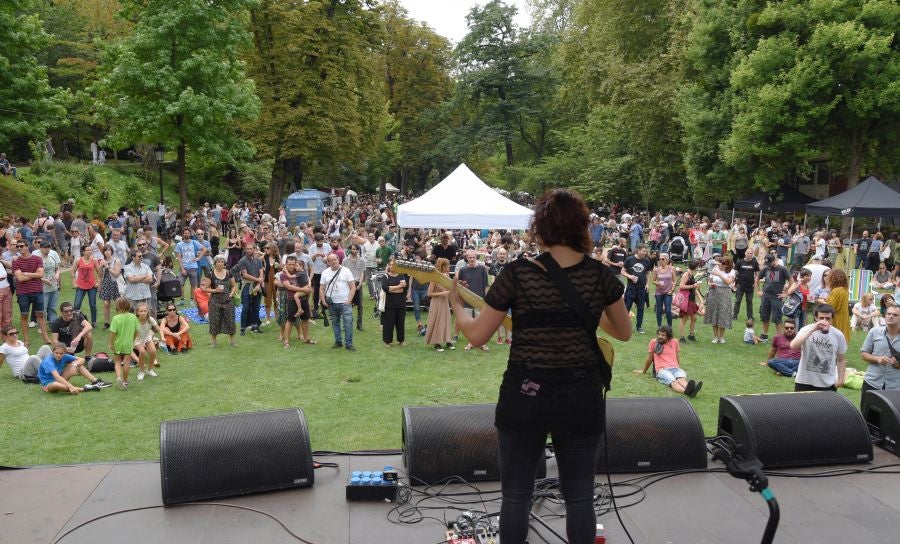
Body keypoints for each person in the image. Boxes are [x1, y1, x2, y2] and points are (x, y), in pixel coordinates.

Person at [451, 188, 631, 544]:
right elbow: (623, 332)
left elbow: (477, 336)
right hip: (581, 396)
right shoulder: (599, 275)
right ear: (582, 227)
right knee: (579, 496)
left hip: (525, 394)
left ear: (541, 226)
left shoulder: (517, 274)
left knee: (516, 495)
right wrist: (587, 311)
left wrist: (457, 305)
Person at [790, 304, 847, 391]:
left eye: (828, 318)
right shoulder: (806, 329)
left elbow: (841, 359)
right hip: (804, 381)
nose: (824, 321)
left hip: (827, 384)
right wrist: (813, 329)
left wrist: (840, 380)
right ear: (816, 318)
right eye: (821, 318)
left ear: (832, 319)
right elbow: (793, 346)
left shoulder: (838, 335)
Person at [635, 325, 702, 397]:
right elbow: (650, 358)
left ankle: (691, 389)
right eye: (659, 334)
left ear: (669, 336)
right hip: (662, 370)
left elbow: (677, 356)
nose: (660, 336)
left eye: (663, 335)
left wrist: (678, 367)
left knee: (681, 378)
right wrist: (644, 371)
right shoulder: (654, 342)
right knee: (673, 381)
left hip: (675, 368)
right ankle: (687, 391)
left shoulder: (675, 341)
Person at [12, 238, 53, 347]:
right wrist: (33, 274)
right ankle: (26, 340)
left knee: (40, 314)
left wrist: (25, 273)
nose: (19, 248)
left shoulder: (37, 259)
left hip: (37, 290)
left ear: (27, 246)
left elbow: (40, 275)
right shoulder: (16, 261)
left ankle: (46, 338)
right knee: (24, 316)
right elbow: (19, 278)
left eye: (21, 246)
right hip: (22, 292)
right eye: (18, 246)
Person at [860, 303, 900, 395]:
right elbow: (864, 354)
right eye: (888, 314)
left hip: (896, 386)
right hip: (872, 382)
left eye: (895, 315)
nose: (890, 316)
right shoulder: (874, 332)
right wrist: (878, 359)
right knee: (867, 410)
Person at [38, 342, 110, 393]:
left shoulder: (65, 356)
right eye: (56, 353)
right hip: (49, 384)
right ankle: (85, 389)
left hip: (61, 379)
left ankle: (95, 381)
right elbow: (57, 377)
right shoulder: (48, 361)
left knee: (76, 363)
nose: (58, 355)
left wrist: (75, 365)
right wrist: (70, 386)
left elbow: (82, 360)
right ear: (53, 352)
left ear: (65, 353)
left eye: (61, 353)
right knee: (57, 385)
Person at [320, 253, 357, 351]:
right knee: (335, 323)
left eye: (335, 259)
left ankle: (349, 344)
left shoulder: (346, 271)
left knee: (348, 323)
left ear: (338, 259)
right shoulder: (325, 273)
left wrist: (349, 300)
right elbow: (321, 288)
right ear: (328, 262)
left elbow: (353, 286)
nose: (333, 261)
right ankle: (338, 342)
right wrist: (323, 301)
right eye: (331, 260)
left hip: (345, 303)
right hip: (331, 303)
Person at [275, 255, 314, 347]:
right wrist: (305, 290)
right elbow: (289, 287)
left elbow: (308, 278)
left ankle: (306, 338)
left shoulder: (299, 271)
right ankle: (286, 341)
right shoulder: (283, 275)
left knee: (304, 319)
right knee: (290, 320)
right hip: (292, 299)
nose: (292, 266)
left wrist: (308, 284)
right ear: (286, 264)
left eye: (293, 264)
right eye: (289, 264)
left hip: (304, 298)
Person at [457, 249, 490, 350]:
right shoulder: (462, 270)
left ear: (476, 258)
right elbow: (460, 286)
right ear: (466, 258)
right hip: (467, 301)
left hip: (479, 300)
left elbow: (486, 285)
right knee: (469, 324)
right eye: (469, 257)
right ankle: (471, 342)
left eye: (473, 257)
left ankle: (481, 343)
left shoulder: (482, 269)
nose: (471, 259)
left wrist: (486, 298)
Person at [755, 255, 790, 341]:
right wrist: (758, 291)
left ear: (775, 260)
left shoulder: (782, 269)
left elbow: (792, 281)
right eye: (767, 263)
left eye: (770, 262)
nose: (768, 265)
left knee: (777, 317)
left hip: (776, 297)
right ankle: (764, 335)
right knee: (764, 316)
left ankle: (780, 337)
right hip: (766, 296)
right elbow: (757, 279)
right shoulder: (766, 268)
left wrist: (786, 293)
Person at [206, 254, 237, 348]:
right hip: (215, 301)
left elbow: (234, 286)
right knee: (215, 321)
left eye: (222, 262)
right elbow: (205, 288)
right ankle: (213, 342)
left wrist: (231, 294)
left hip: (228, 301)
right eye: (218, 262)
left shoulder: (229, 273)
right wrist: (215, 290)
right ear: (215, 263)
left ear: (224, 263)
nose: (220, 263)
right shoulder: (210, 274)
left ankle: (232, 341)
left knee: (230, 320)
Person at [108, 297, 139, 390]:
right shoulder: (133, 317)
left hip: (118, 343)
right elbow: (137, 331)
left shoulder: (115, 318)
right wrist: (133, 340)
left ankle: (118, 377)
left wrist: (110, 343)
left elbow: (113, 333)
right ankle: (125, 381)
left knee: (117, 361)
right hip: (128, 343)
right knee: (126, 362)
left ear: (117, 306)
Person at [705, 255, 736, 343]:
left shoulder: (732, 272)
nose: (721, 265)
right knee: (714, 313)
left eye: (723, 263)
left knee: (723, 314)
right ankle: (715, 337)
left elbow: (728, 282)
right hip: (714, 292)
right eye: (720, 262)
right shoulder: (715, 268)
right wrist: (710, 284)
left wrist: (719, 274)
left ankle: (721, 337)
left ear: (728, 264)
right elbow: (709, 280)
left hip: (725, 293)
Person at [424, 258, 454, 352]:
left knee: (446, 321)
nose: (449, 267)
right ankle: (437, 343)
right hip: (437, 302)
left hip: (445, 302)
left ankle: (447, 341)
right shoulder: (435, 278)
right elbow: (429, 294)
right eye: (447, 265)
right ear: (443, 267)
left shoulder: (447, 275)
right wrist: (442, 293)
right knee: (438, 321)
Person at [236, 242, 264, 335]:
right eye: (247, 249)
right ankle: (243, 328)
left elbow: (261, 272)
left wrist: (259, 283)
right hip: (247, 286)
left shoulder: (259, 260)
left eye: (250, 248)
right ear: (245, 249)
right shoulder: (242, 260)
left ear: (254, 249)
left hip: (257, 285)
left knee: (256, 307)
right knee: (245, 308)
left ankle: (255, 326)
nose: (249, 250)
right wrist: (258, 280)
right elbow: (245, 274)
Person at [623, 244, 652, 333]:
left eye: (646, 251)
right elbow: (622, 271)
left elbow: (648, 273)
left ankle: (639, 327)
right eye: (643, 251)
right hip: (631, 288)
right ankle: (623, 326)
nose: (645, 252)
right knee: (627, 307)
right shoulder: (629, 259)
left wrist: (647, 284)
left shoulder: (646, 261)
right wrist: (630, 276)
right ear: (638, 250)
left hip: (641, 288)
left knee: (640, 308)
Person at [174, 227, 206, 304]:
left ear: (190, 234)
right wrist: (182, 269)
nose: (187, 234)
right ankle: (182, 300)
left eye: (188, 233)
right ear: (183, 234)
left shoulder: (194, 242)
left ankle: (192, 300)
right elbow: (179, 257)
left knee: (193, 285)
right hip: (184, 267)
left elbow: (204, 249)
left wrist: (198, 258)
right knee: (180, 284)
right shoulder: (179, 244)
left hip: (193, 267)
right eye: (185, 233)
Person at [381, 259, 409, 347]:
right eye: (391, 265)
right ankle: (387, 341)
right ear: (388, 266)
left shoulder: (401, 276)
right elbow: (385, 288)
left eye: (394, 265)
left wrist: (392, 289)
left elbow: (404, 289)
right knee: (388, 323)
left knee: (400, 323)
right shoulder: (385, 276)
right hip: (389, 304)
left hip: (400, 304)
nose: (392, 266)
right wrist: (398, 287)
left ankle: (401, 340)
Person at [71, 247, 101, 327]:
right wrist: (74, 283)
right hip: (80, 286)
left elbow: (99, 272)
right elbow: (73, 271)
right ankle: (75, 321)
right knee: (77, 304)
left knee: (92, 304)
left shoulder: (94, 260)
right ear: (83, 251)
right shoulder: (78, 260)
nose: (90, 251)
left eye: (91, 250)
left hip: (92, 286)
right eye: (87, 250)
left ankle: (94, 321)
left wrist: (98, 282)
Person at [132, 302, 160, 380]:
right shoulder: (134, 320)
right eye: (141, 311)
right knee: (142, 352)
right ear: (137, 312)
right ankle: (141, 371)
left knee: (153, 351)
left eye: (145, 311)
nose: (143, 313)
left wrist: (163, 336)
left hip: (147, 337)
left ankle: (150, 370)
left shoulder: (150, 319)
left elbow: (158, 329)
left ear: (147, 311)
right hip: (137, 339)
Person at [676, 259, 702, 343]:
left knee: (694, 318)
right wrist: (693, 285)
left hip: (691, 299)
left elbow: (693, 287)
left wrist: (696, 288)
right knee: (684, 318)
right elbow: (681, 286)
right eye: (698, 266)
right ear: (695, 267)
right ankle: (682, 337)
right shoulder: (686, 274)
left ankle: (691, 335)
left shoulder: (691, 274)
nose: (698, 268)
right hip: (686, 300)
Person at [98, 245, 123, 329]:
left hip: (115, 283)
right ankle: (107, 322)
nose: (107, 252)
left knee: (118, 304)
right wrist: (101, 267)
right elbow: (100, 275)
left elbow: (116, 274)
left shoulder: (116, 261)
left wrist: (107, 267)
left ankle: (119, 322)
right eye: (105, 250)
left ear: (111, 251)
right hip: (106, 283)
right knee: (105, 304)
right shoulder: (102, 261)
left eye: (109, 250)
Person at [823, 269, 850, 342]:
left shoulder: (836, 291)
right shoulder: (845, 290)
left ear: (834, 278)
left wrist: (823, 301)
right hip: (844, 316)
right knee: (841, 339)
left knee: (834, 339)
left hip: (836, 317)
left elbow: (830, 306)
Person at [733, 252, 759, 321]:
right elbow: (735, 272)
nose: (749, 254)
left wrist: (755, 282)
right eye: (748, 253)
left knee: (749, 301)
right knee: (738, 301)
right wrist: (735, 281)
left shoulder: (754, 262)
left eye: (751, 253)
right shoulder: (740, 262)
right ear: (745, 253)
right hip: (740, 284)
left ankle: (750, 316)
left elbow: (757, 274)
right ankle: (734, 315)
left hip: (750, 285)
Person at [651, 253, 675, 328]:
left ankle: (669, 327)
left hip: (668, 292)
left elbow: (674, 281)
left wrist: (672, 290)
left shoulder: (672, 268)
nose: (660, 261)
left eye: (663, 259)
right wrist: (657, 283)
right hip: (659, 293)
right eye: (659, 259)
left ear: (667, 260)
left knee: (668, 310)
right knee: (659, 310)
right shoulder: (656, 270)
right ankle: (659, 327)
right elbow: (653, 281)